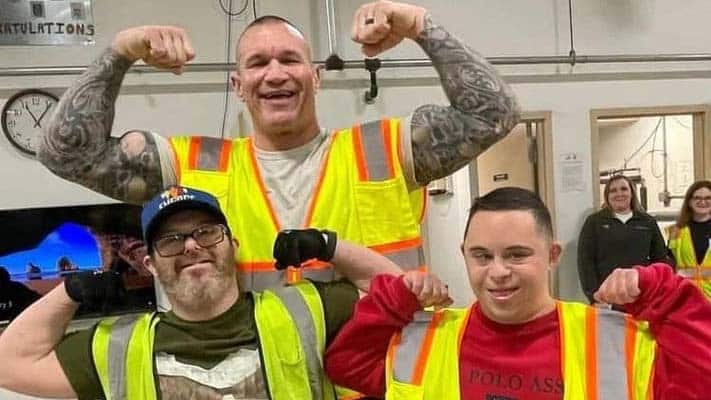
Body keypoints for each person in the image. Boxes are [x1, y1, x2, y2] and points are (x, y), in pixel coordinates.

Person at [38, 1, 520, 291]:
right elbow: (65, 153)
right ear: (238, 85)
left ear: (316, 77)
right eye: (257, 63)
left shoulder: (387, 149)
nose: (275, 73)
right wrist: (120, 52)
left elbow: (494, 113)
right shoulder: (193, 166)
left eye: (290, 60)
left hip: (383, 383)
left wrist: (419, 23)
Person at [0, 185, 419, 399]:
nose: (191, 246)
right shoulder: (117, 348)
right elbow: (9, 364)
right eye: (171, 240)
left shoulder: (305, 311)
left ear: (232, 246)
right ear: (150, 265)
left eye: (206, 232)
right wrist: (69, 292)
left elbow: (395, 293)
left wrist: (329, 246)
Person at [324, 187, 711, 399]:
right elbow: (346, 365)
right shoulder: (425, 339)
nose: (497, 273)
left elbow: (701, 380)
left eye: (516, 255)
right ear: (464, 254)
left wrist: (664, 294)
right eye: (481, 256)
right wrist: (394, 299)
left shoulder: (611, 340)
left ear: (552, 255)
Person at [577, 174, 669, 304]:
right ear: (607, 196)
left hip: (641, 296)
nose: (619, 194)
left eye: (624, 189)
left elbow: (660, 259)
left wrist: (657, 292)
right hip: (607, 297)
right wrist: (594, 295)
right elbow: (585, 261)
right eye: (613, 190)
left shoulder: (647, 222)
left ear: (632, 193)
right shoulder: (595, 222)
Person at [668, 180, 711, 299]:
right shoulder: (675, 231)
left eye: (708, 198)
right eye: (697, 198)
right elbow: (669, 263)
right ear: (689, 202)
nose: (702, 202)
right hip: (685, 297)